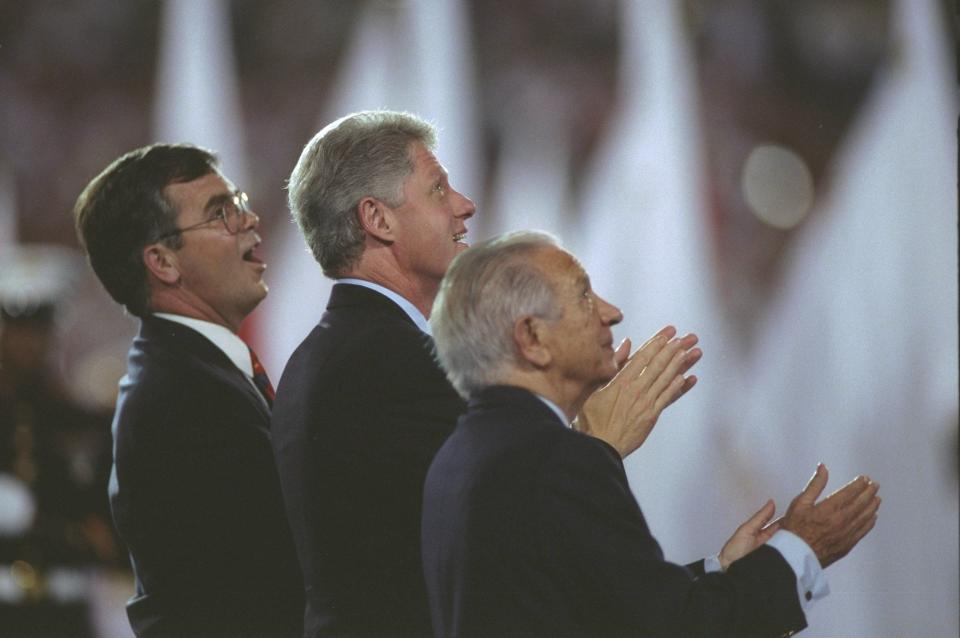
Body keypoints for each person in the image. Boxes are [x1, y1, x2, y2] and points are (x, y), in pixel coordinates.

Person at [424, 230, 881, 638]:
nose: (612, 312)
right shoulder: (560, 460)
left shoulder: (455, 457)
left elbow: (601, 607)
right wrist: (800, 550)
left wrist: (720, 570)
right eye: (584, 296)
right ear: (532, 338)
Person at [73, 144, 303, 637]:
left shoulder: (190, 373)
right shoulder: (182, 401)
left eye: (237, 202)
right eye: (220, 213)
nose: (249, 219)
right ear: (162, 262)